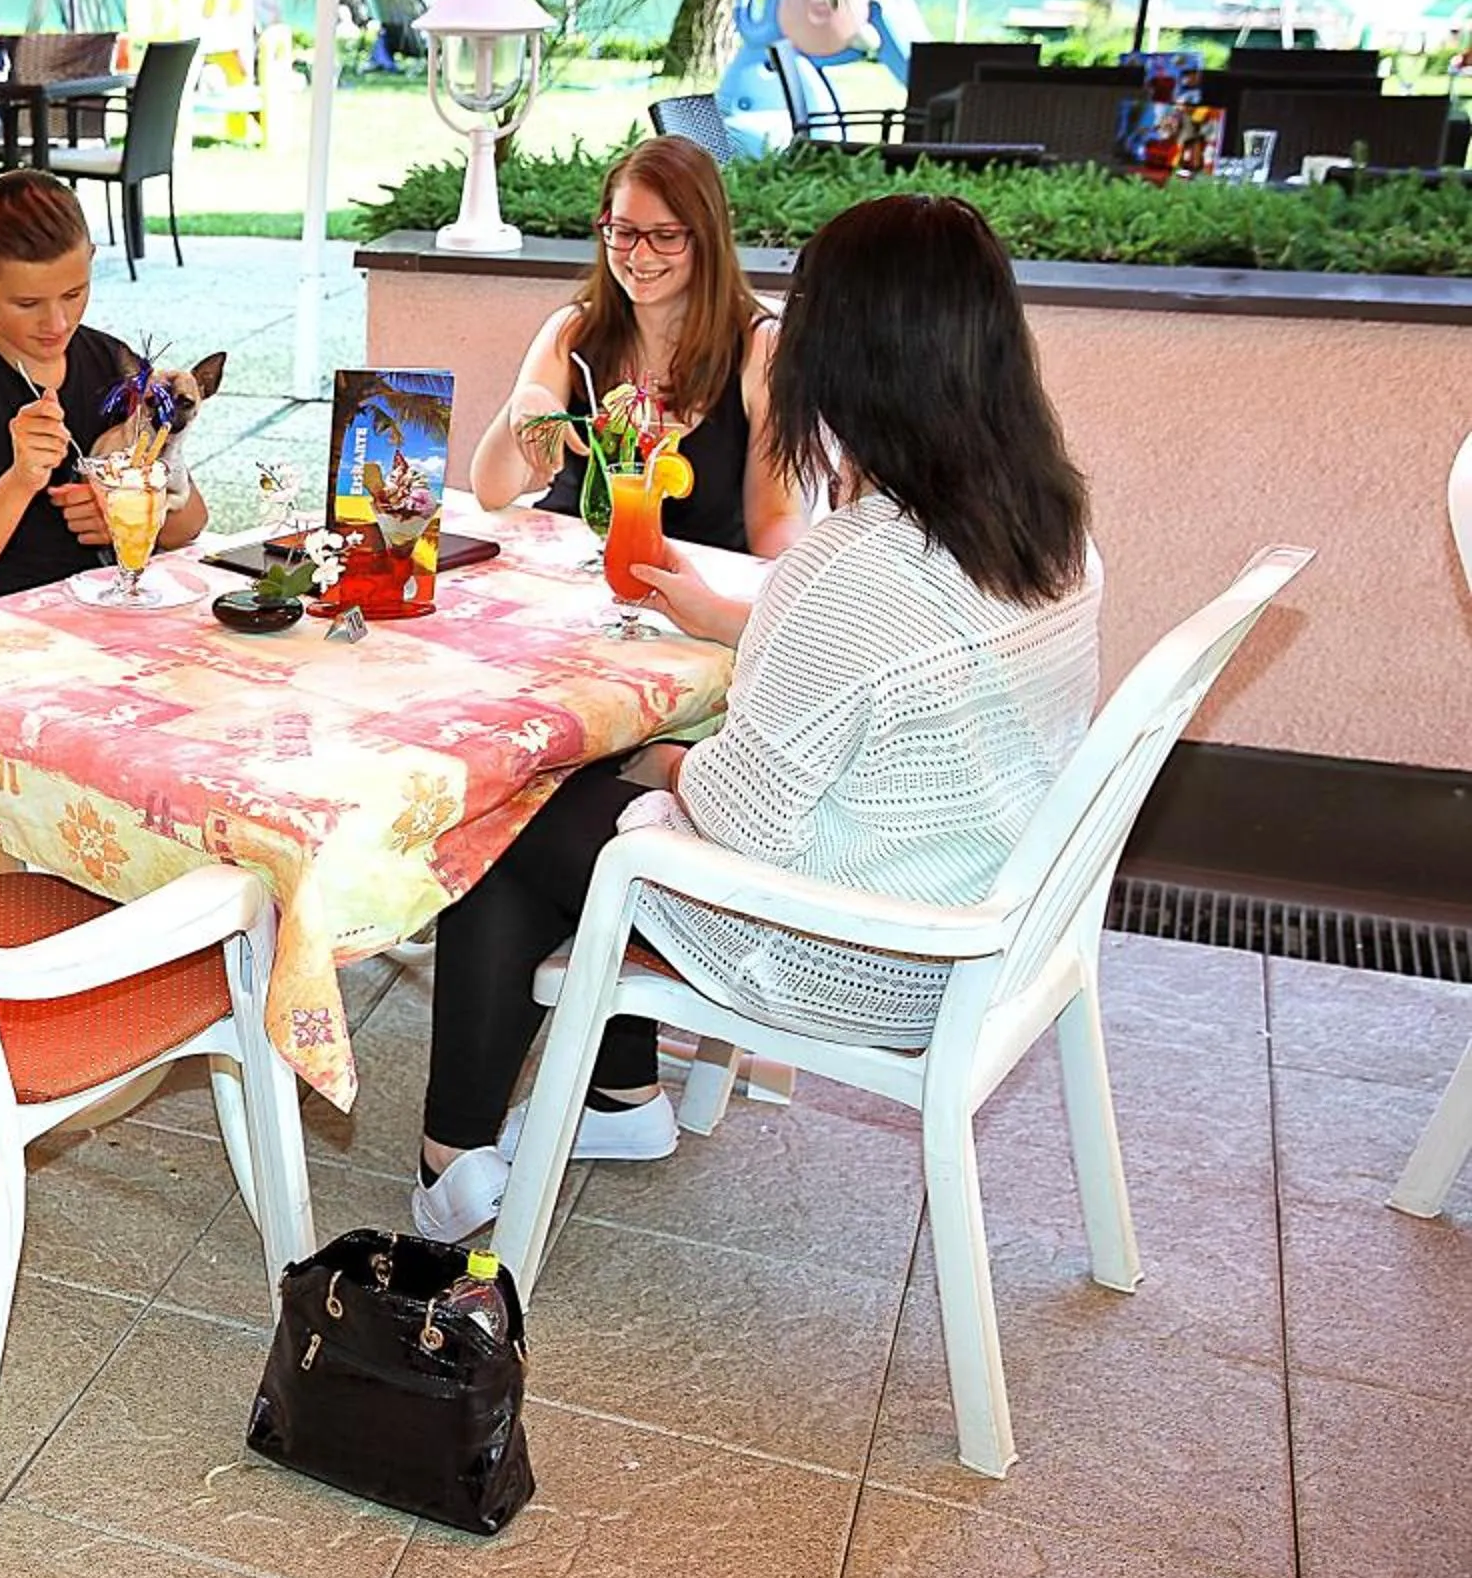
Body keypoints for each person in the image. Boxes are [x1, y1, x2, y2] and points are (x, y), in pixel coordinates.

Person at [411, 194, 1106, 1243]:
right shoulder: (1046, 521)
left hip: (851, 951)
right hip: (981, 908)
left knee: (509, 817)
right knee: (581, 802)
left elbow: (747, 820)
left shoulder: (855, 562)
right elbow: (892, 678)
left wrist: (666, 765)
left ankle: (456, 1149)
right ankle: (619, 1099)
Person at [465, 134, 806, 558]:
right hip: (568, 579)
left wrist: (795, 589)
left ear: (707, 236)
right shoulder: (574, 332)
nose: (640, 257)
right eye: (623, 232)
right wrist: (524, 404)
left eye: (665, 236)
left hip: (693, 593)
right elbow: (491, 491)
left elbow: (775, 521)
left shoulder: (759, 348)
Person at [0, 170, 208, 603]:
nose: (57, 323)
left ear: (91, 261)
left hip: (113, 616)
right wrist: (21, 479)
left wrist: (128, 514)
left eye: (74, 293)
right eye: (27, 304)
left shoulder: (113, 365)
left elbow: (189, 525)